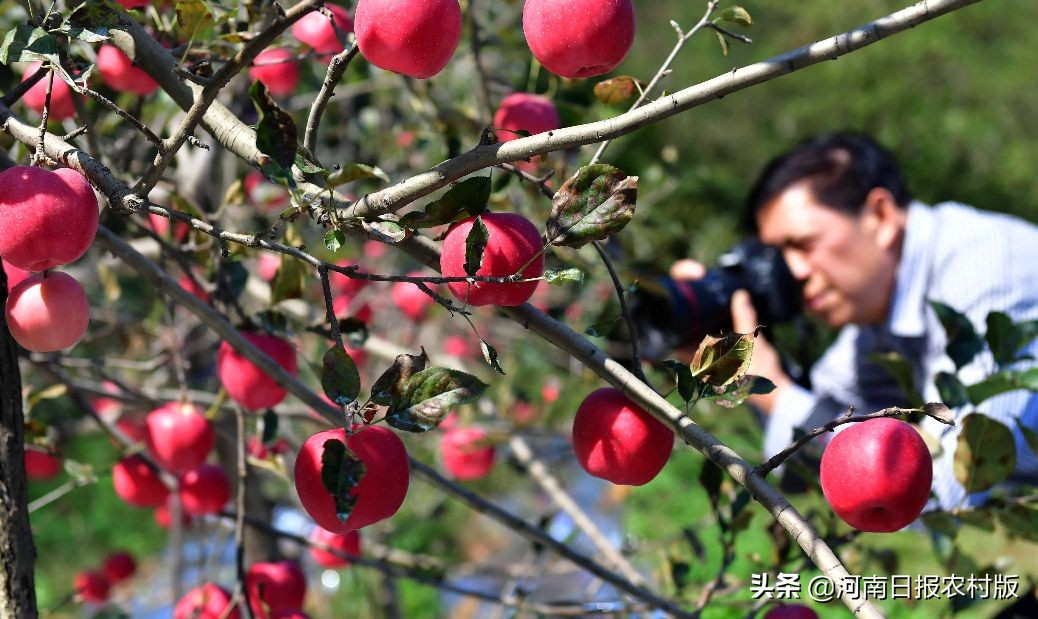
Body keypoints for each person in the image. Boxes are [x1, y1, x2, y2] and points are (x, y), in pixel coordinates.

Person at [672, 132, 1038, 512]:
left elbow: (945, 487)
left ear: (880, 216)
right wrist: (730, 364)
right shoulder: (880, 311)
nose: (792, 273)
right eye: (779, 258)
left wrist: (769, 387)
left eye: (804, 244)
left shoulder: (986, 273)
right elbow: (816, 445)